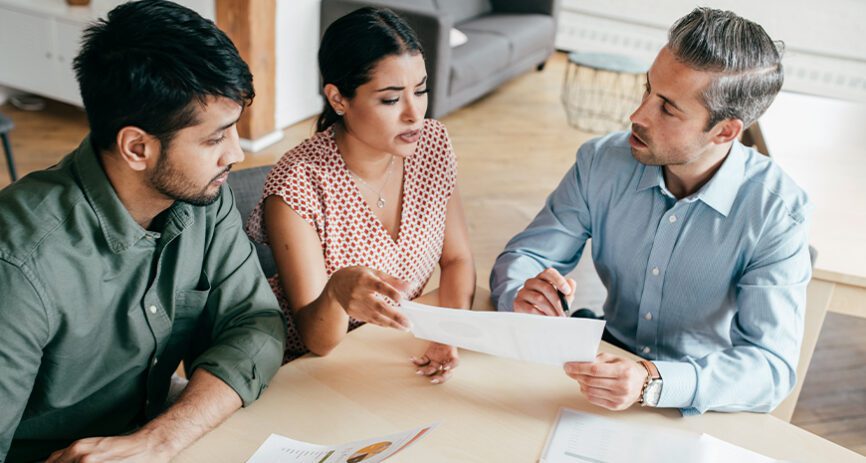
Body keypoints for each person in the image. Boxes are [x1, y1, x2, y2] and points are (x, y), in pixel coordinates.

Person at [0, 1, 286, 461]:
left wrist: (160, 438)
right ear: (137, 147)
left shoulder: (203, 198)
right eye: (214, 138)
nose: (234, 154)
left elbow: (254, 324)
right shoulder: (18, 266)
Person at [490, 7, 811, 415]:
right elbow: (526, 257)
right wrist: (523, 293)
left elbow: (769, 367)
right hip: (595, 370)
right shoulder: (600, 161)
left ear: (725, 130)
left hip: (697, 400)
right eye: (647, 90)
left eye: (668, 108)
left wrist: (652, 381)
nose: (637, 116)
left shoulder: (776, 214)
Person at [245, 7, 475, 381]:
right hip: (306, 371)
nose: (414, 113)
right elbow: (316, 340)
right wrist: (337, 292)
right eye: (390, 99)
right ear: (338, 99)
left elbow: (458, 259)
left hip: (390, 351)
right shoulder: (298, 183)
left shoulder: (432, 144)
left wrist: (447, 332)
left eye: (421, 90)